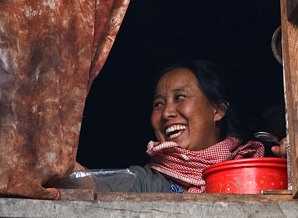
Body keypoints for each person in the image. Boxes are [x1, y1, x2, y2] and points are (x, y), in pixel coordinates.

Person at [87, 59, 281, 194]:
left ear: (218, 110)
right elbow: (87, 183)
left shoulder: (255, 165)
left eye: (180, 98)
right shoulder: (147, 182)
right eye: (158, 104)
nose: (166, 113)